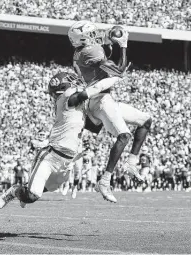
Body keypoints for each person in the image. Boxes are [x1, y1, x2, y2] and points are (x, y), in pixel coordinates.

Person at [0, 71, 123, 209]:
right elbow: (94, 89)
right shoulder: (66, 100)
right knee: (32, 196)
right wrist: (116, 77)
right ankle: (15, 191)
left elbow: (96, 124)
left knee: (49, 188)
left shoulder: (77, 106)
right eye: (72, 83)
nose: (76, 84)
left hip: (68, 161)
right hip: (51, 156)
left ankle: (25, 190)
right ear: (63, 89)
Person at [68, 20, 152, 202]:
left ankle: (131, 163)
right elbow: (119, 70)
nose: (95, 36)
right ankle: (105, 181)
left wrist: (108, 36)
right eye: (91, 34)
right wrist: (123, 45)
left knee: (145, 120)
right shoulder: (90, 51)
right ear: (83, 39)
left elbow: (99, 43)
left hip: (103, 98)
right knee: (124, 136)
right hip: (99, 100)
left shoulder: (83, 50)